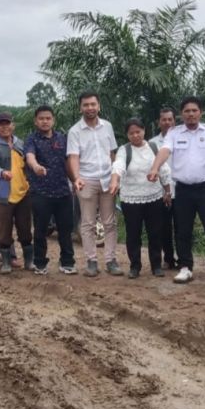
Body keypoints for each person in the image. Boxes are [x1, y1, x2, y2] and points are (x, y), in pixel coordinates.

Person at [148, 96, 205, 287]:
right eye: (187, 111)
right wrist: (154, 168)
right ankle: (185, 267)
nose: (191, 114)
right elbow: (165, 151)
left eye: (194, 110)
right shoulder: (174, 133)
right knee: (183, 231)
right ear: (181, 114)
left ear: (200, 112)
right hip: (183, 190)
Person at [66, 91, 123, 277]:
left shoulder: (107, 126)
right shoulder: (75, 131)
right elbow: (73, 157)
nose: (90, 108)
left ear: (98, 106)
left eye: (93, 104)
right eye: (86, 105)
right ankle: (91, 261)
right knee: (88, 223)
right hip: (87, 180)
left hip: (107, 179)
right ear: (80, 107)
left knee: (110, 222)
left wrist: (116, 175)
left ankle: (111, 260)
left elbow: (112, 153)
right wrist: (76, 178)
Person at [110, 118, 172, 278]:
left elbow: (163, 169)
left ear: (144, 131)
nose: (135, 135)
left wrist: (167, 191)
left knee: (155, 233)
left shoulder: (153, 147)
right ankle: (135, 267)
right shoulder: (124, 150)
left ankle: (156, 265)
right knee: (133, 234)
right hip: (131, 199)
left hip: (154, 197)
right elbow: (119, 165)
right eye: (131, 133)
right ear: (127, 135)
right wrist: (115, 180)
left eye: (138, 132)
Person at [25, 105, 77, 275]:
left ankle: (67, 262)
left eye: (48, 118)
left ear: (53, 120)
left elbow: (68, 163)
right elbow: (30, 157)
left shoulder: (62, 138)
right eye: (41, 118)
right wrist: (36, 167)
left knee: (65, 230)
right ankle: (40, 263)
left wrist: (75, 181)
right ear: (36, 121)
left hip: (63, 192)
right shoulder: (31, 139)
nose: (45, 121)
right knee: (40, 231)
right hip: (41, 193)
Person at [0, 112, 33, 274]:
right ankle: (6, 262)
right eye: (1, 124)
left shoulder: (20, 143)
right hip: (2, 197)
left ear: (13, 125)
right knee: (4, 231)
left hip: (23, 194)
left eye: (7, 124)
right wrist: (1, 173)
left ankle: (29, 261)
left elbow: (28, 163)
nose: (5, 127)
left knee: (25, 229)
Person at [150, 107, 179, 269]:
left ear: (174, 121)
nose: (167, 122)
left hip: (181, 190)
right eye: (164, 119)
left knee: (181, 228)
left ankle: (183, 259)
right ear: (159, 122)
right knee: (164, 228)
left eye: (170, 119)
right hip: (161, 192)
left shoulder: (182, 138)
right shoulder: (153, 143)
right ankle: (168, 259)